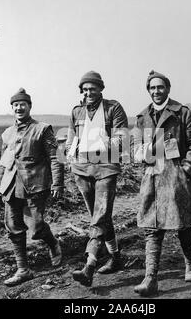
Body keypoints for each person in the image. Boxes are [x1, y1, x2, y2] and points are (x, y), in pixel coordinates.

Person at [131, 70, 191, 296]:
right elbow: (134, 147)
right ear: (148, 91)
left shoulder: (182, 113)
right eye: (152, 88)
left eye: (160, 87)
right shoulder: (142, 117)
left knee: (182, 223)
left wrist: (186, 168)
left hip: (176, 178)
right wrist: (142, 154)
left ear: (168, 89)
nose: (156, 91)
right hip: (152, 178)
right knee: (151, 228)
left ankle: (190, 263)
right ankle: (150, 277)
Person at [0, 88, 64, 287]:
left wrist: (57, 182)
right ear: (12, 108)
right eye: (15, 105)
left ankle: (53, 244)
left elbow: (55, 157)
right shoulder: (7, 133)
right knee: (13, 226)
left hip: (35, 184)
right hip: (11, 185)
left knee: (36, 227)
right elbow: (3, 161)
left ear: (29, 106)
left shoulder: (42, 129)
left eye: (22, 104)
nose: (19, 108)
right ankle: (23, 269)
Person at [66, 71, 129, 287]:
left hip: (105, 167)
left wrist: (101, 147)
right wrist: (69, 153)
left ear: (101, 89)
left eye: (93, 88)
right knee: (99, 216)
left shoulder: (113, 108)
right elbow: (72, 137)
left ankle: (90, 263)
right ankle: (116, 257)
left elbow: (122, 137)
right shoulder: (77, 111)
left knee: (100, 215)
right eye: (85, 89)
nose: (89, 92)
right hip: (82, 169)